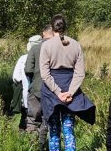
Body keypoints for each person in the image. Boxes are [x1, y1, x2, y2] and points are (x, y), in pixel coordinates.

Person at [40, 14, 96, 151]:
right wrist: (70, 92)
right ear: (65, 27)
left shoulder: (46, 45)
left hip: (51, 91)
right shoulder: (75, 45)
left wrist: (58, 93)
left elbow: (44, 74)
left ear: (52, 27)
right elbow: (80, 73)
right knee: (68, 129)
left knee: (53, 130)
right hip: (71, 90)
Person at [25, 24, 54, 148]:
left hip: (36, 88)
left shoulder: (35, 48)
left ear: (43, 33)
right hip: (53, 89)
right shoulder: (58, 47)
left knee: (32, 117)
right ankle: (43, 144)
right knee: (46, 119)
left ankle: (31, 144)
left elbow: (28, 69)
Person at [11, 35, 40, 130]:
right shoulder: (47, 58)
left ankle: (23, 138)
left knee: (25, 117)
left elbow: (16, 77)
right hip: (43, 95)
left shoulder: (23, 59)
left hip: (27, 94)